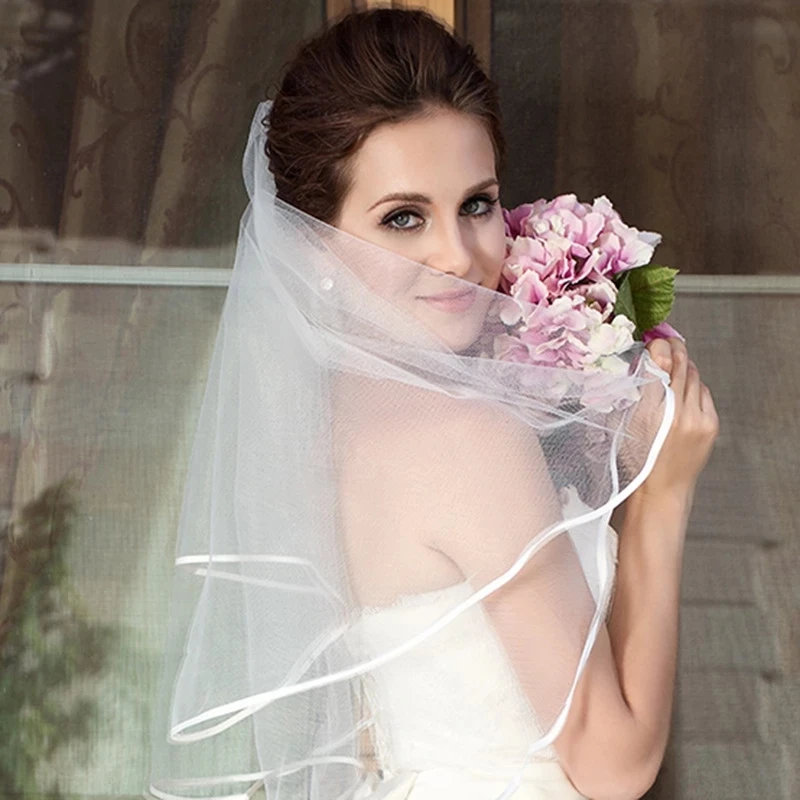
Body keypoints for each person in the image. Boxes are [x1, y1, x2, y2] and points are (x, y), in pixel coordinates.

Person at [150, 8, 718, 800]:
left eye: (478, 203)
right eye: (403, 218)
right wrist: (662, 492)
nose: (457, 255)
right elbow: (614, 766)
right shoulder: (465, 437)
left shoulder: (324, 417)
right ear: (310, 240)